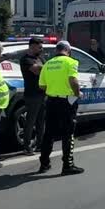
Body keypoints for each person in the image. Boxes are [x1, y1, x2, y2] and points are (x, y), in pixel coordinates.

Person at [38, 41, 84, 175]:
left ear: (56, 51)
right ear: (68, 51)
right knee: (68, 133)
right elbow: (73, 80)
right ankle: (68, 165)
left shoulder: (47, 64)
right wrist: (77, 93)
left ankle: (44, 164)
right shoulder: (71, 62)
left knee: (49, 134)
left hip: (51, 101)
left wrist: (53, 88)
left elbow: (42, 86)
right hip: (67, 102)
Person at [18, 37, 46, 154]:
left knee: (41, 121)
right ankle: (27, 146)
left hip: (42, 93)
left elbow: (44, 70)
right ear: (32, 46)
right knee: (31, 120)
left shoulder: (40, 58)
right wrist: (44, 68)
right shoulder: (26, 59)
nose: (42, 49)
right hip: (32, 94)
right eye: (39, 47)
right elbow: (36, 70)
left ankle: (40, 144)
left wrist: (43, 67)